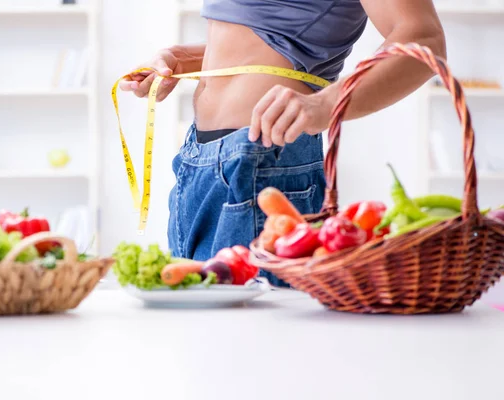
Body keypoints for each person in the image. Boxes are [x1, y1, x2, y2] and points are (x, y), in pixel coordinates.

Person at [119, 0, 446, 287]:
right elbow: (266, 33)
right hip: (199, 162)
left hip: (264, 164)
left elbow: (423, 39)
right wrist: (183, 58)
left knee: (260, 345)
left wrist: (323, 105)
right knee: (198, 341)